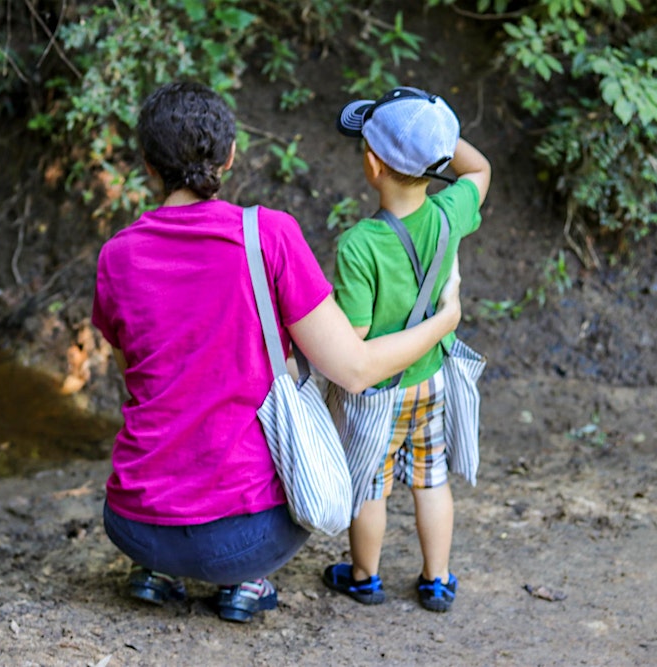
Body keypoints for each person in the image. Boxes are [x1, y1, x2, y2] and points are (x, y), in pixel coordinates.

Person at [91, 81, 463, 624]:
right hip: (248, 538)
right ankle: (243, 583)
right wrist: (445, 320)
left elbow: (136, 374)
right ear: (231, 156)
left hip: (134, 525)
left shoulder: (116, 257)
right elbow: (354, 370)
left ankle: (160, 571)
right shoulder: (268, 235)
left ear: (147, 164)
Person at [321, 86, 492, 612]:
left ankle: (364, 576)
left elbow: (354, 337)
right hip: (432, 379)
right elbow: (479, 170)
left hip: (377, 393)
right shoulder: (449, 213)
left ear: (371, 164)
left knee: (370, 485)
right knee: (430, 479)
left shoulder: (359, 245)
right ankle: (436, 579)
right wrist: (437, 137)